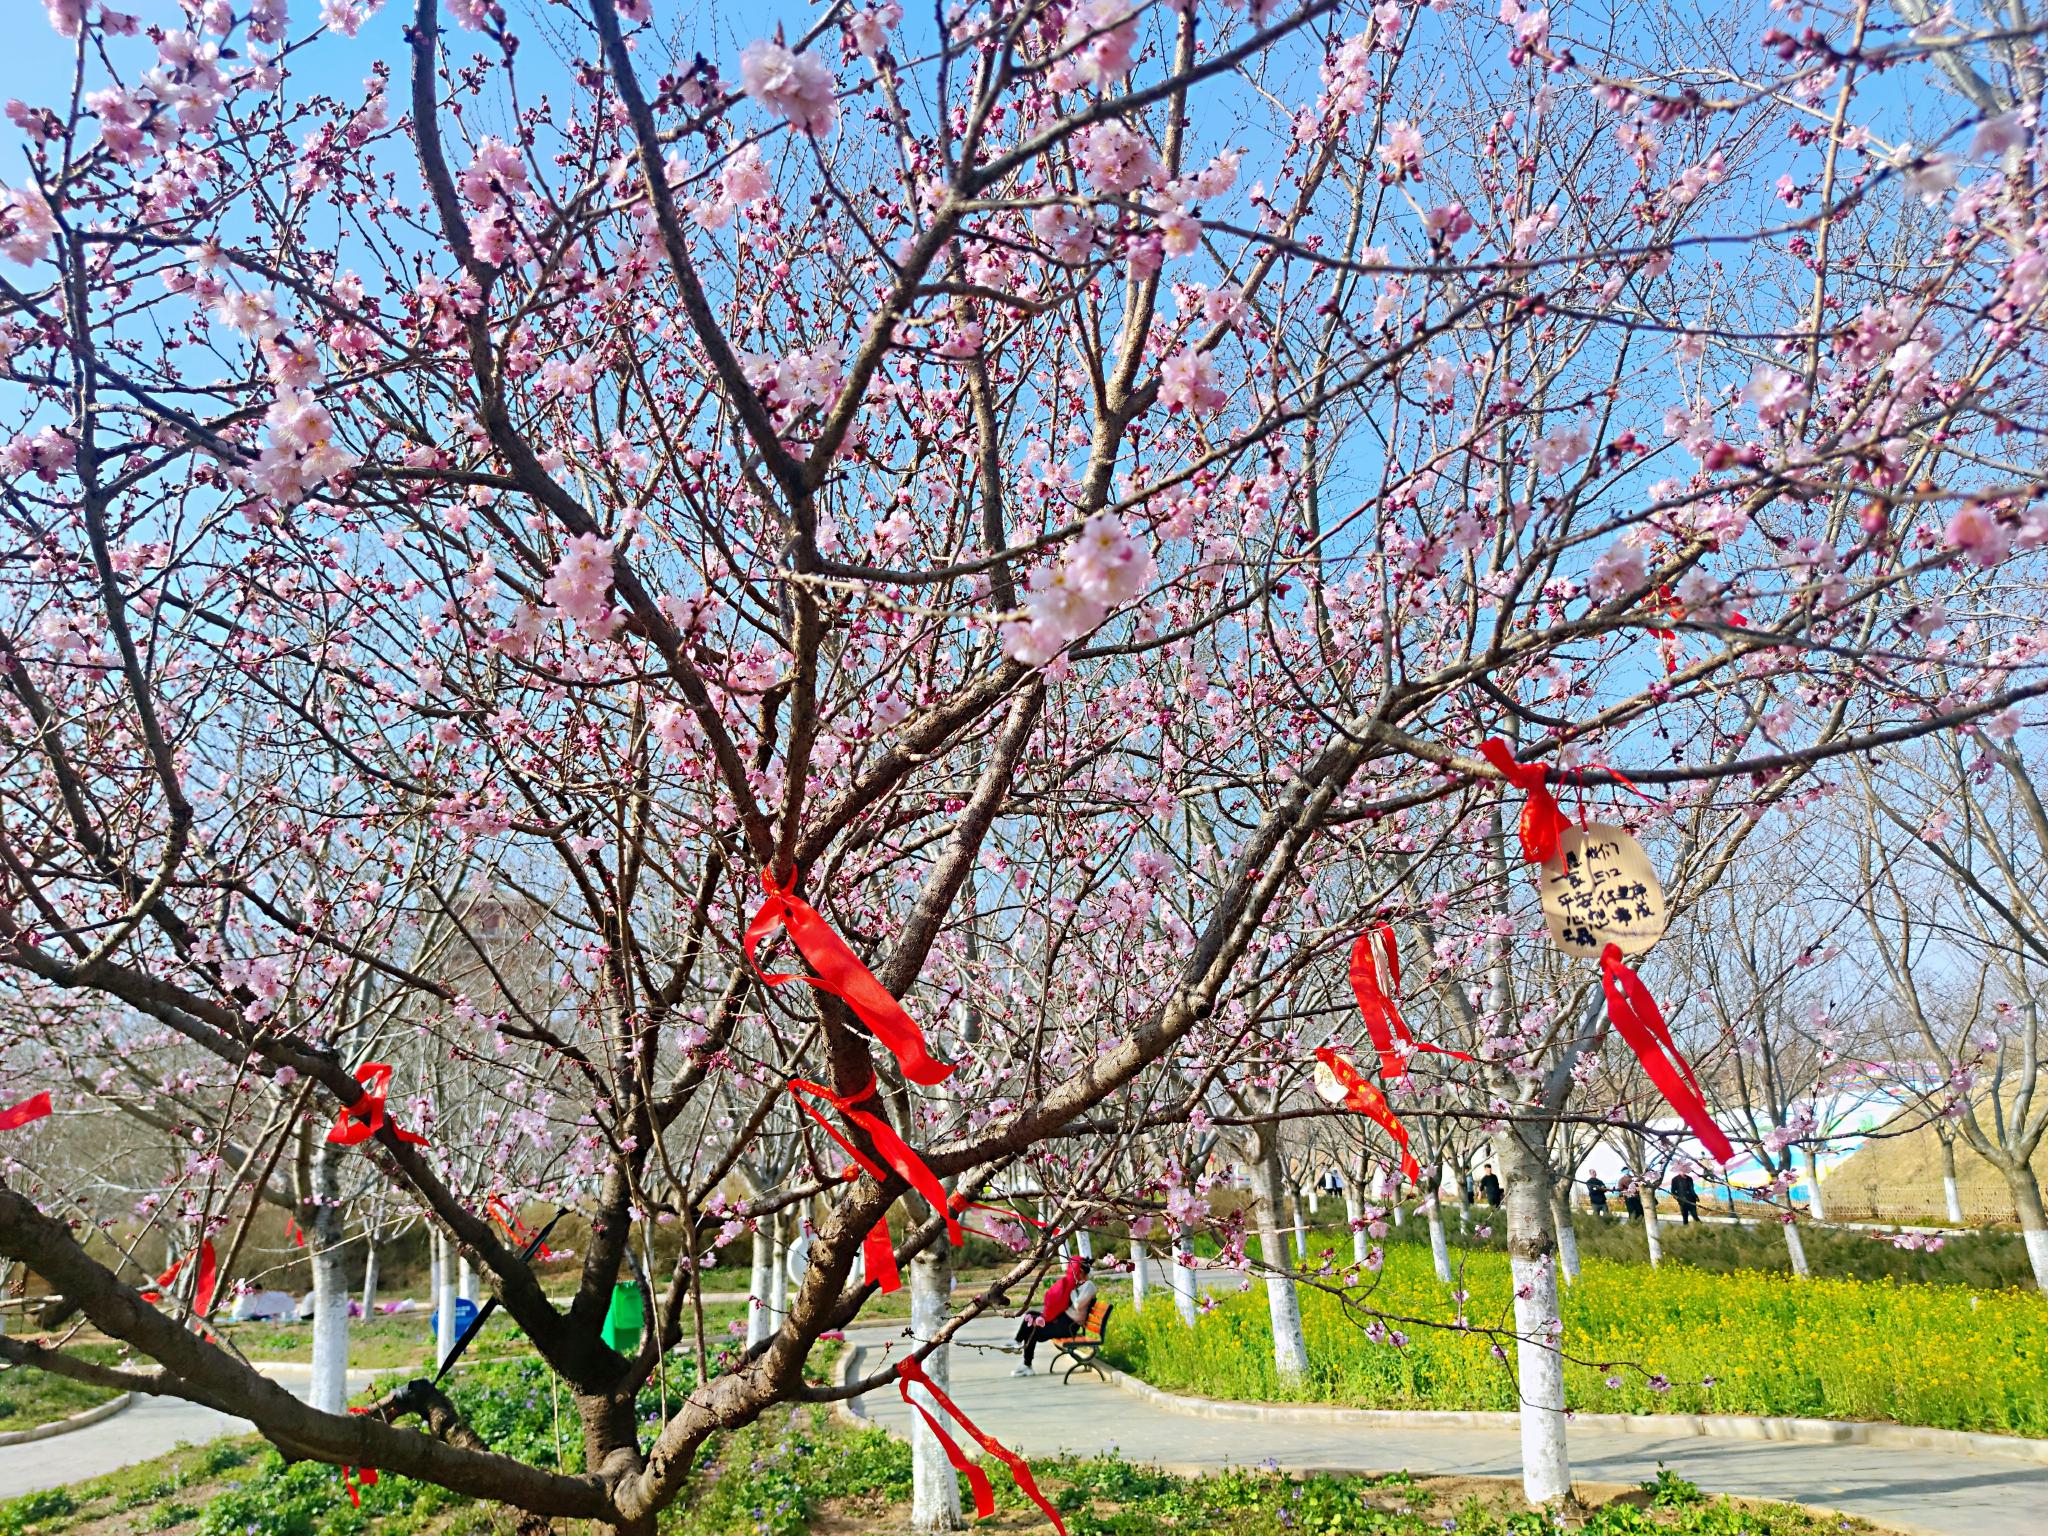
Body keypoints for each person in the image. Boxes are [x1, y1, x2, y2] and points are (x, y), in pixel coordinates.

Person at [1011, 1256, 1093, 1376]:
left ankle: (1027, 1364)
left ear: (1080, 1271)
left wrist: (1071, 1290)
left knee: (1033, 1329)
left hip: (1068, 1327)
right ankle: (1017, 1343)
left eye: (1075, 1270)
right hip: (1063, 1321)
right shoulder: (1076, 1284)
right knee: (1031, 1314)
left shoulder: (1088, 1285)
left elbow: (1077, 1304)